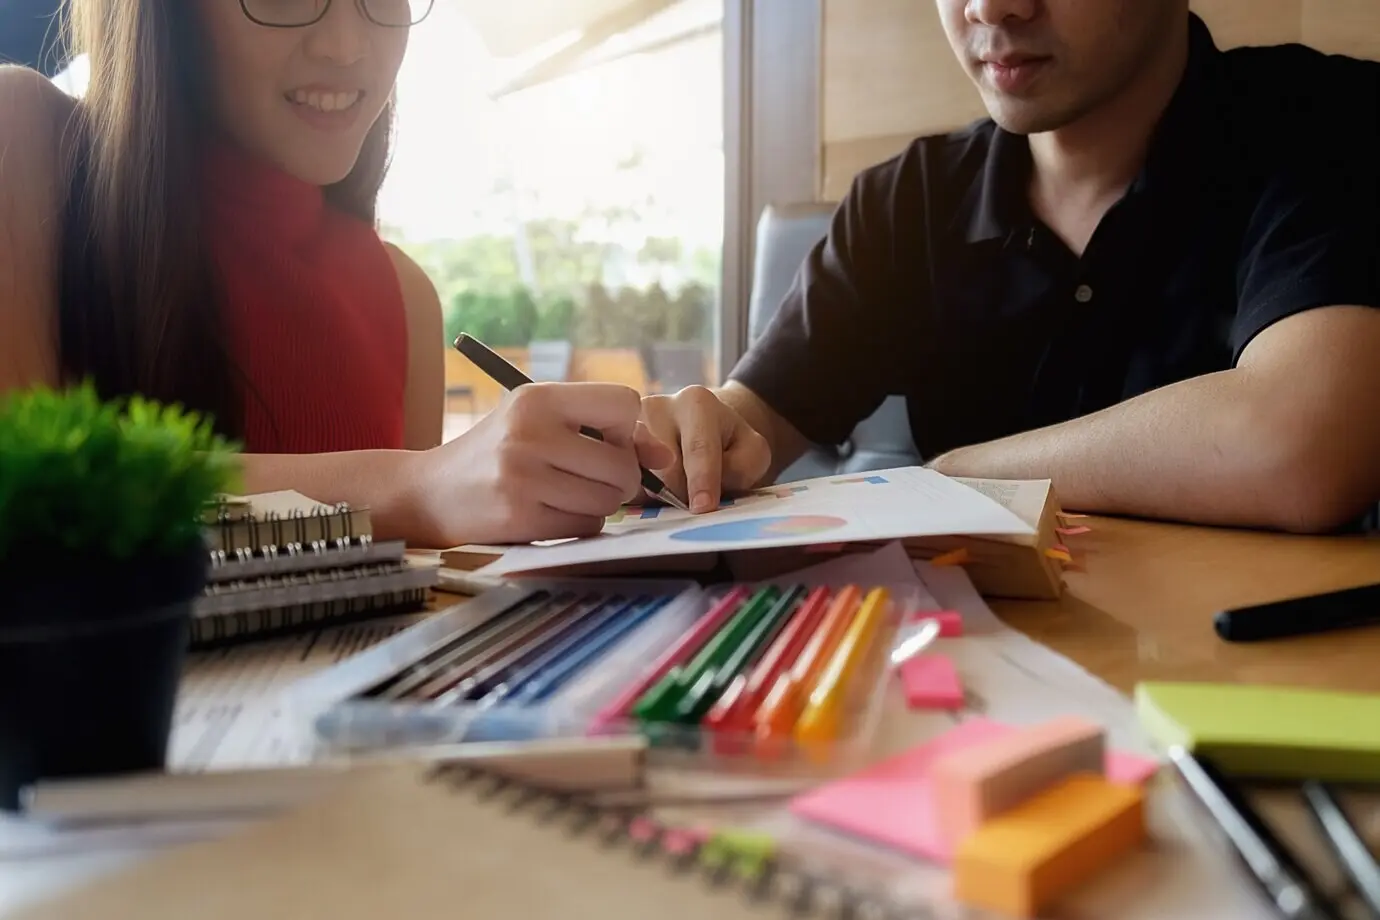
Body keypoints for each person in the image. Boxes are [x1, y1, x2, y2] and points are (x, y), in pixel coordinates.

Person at [642, 0, 1380, 534]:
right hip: (976, 697)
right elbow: (747, 428)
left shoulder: (1329, 122)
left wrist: (950, 479)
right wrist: (659, 452)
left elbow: (1300, 443)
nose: (991, 6)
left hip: (1252, 686)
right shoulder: (910, 200)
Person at [0, 0, 673, 549]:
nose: (348, 46)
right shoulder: (26, 141)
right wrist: (410, 489)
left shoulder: (406, 296)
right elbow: (26, 496)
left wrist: (643, 468)